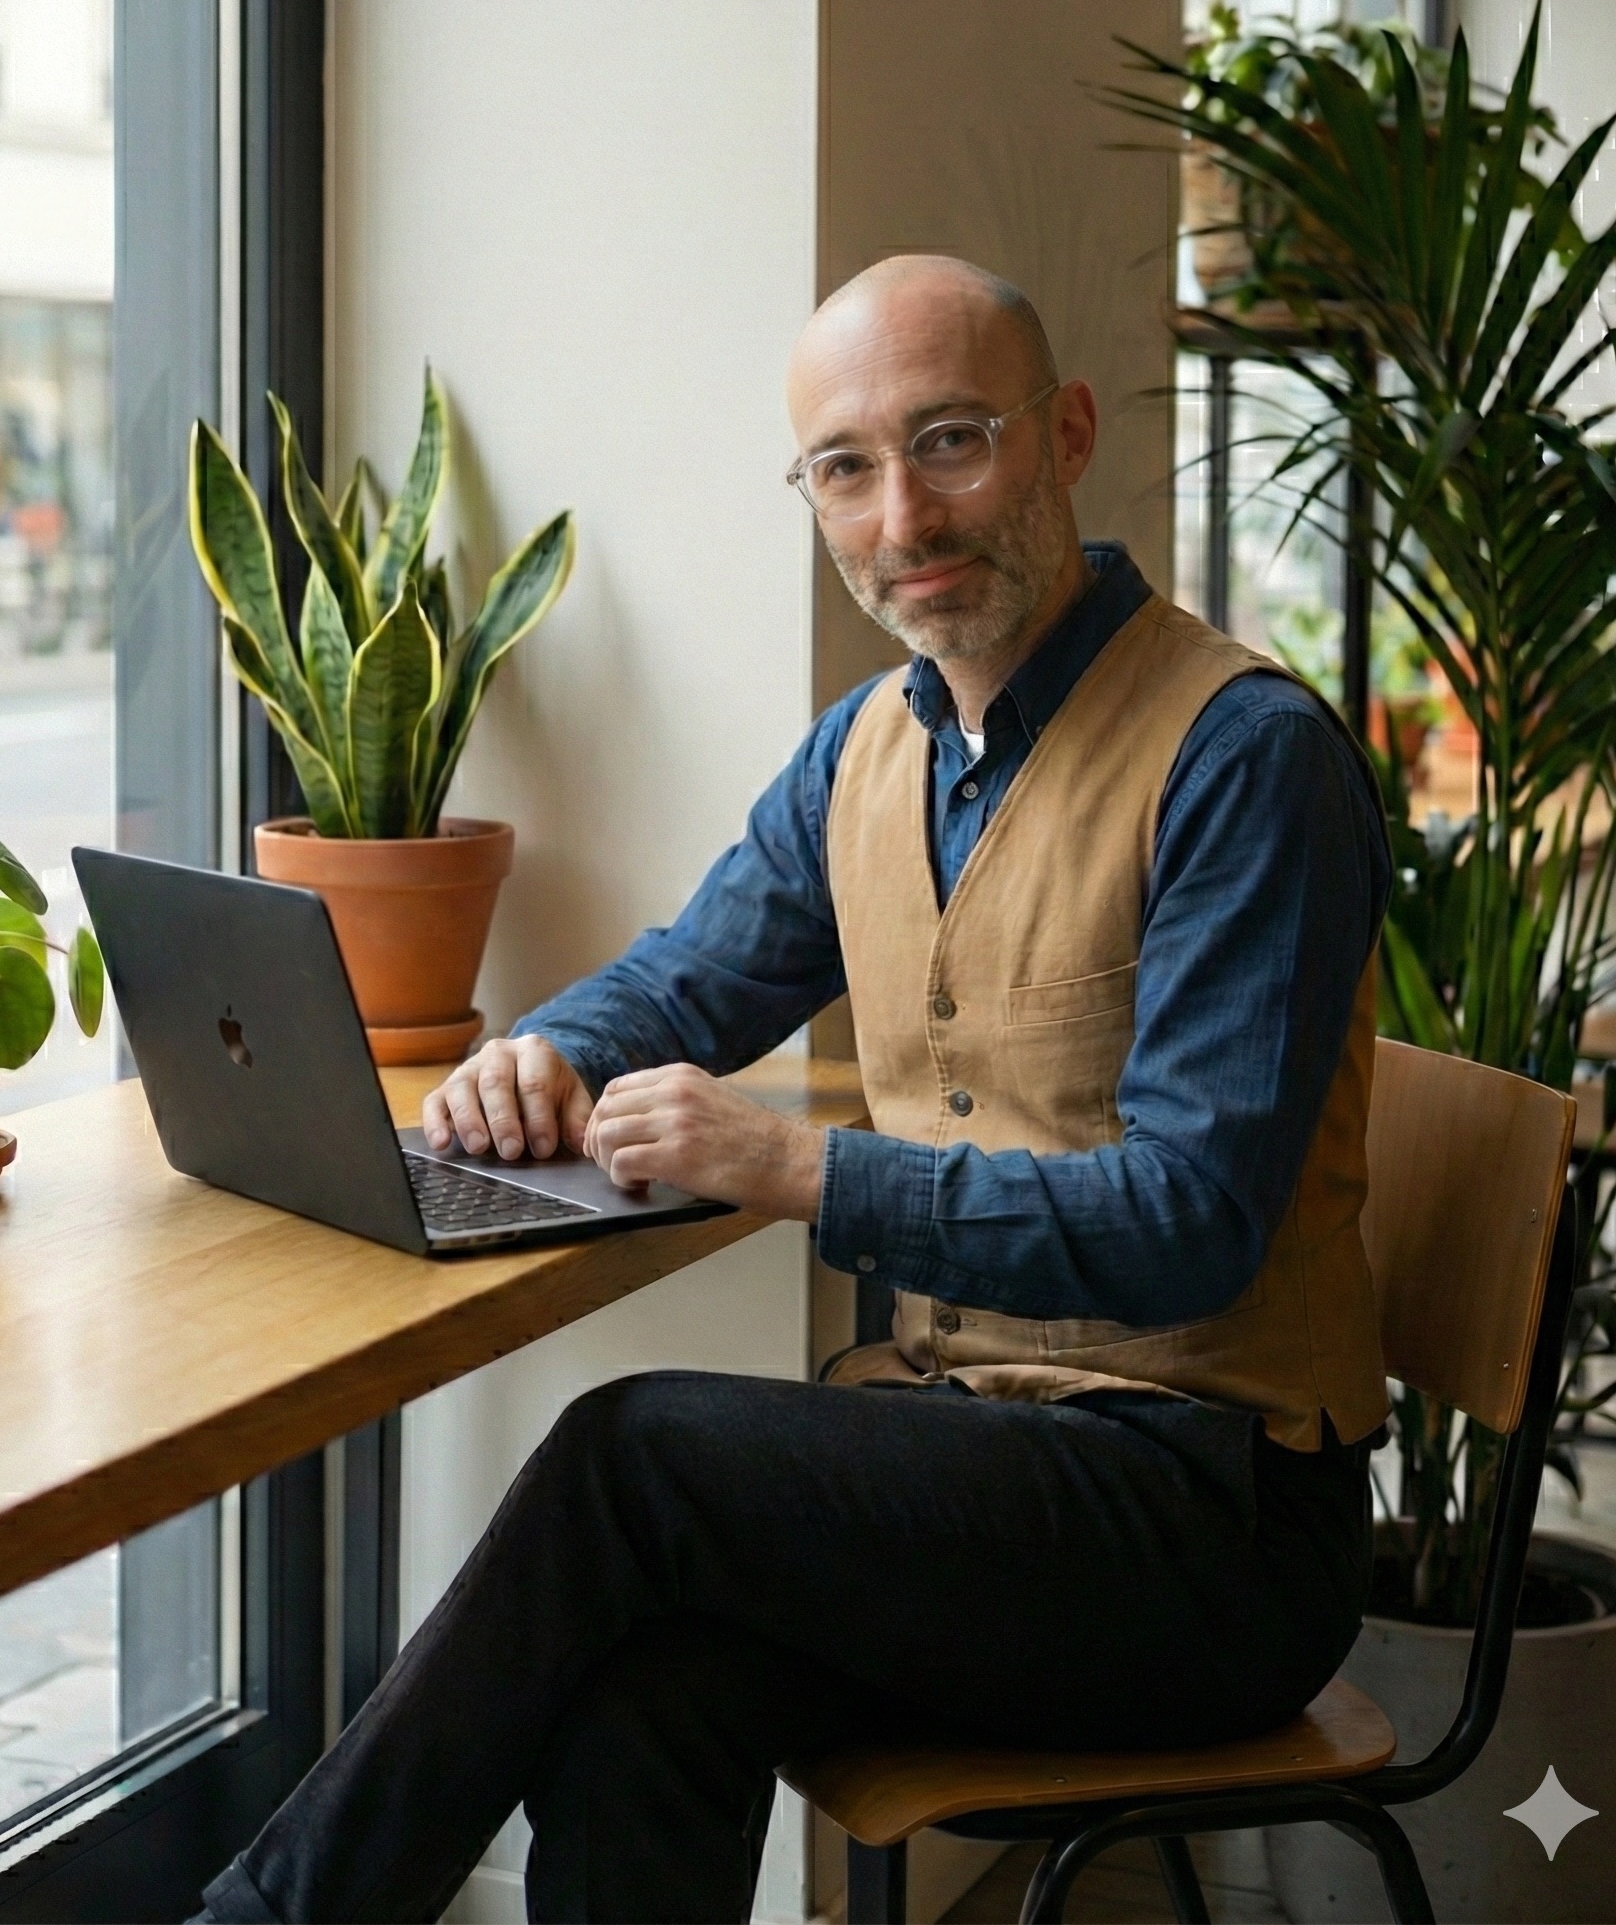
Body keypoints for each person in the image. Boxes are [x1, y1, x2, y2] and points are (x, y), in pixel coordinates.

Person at [199, 254, 1391, 1925]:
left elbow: (1192, 1225)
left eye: (952, 441)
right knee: (646, 1689)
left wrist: (801, 1167)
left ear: (1064, 436)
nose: (901, 514)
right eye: (844, 467)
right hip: (990, 1455)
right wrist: (546, 1048)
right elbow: (693, 972)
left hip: (1214, 1526)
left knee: (637, 1456)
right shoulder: (867, 750)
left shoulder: (1247, 759)